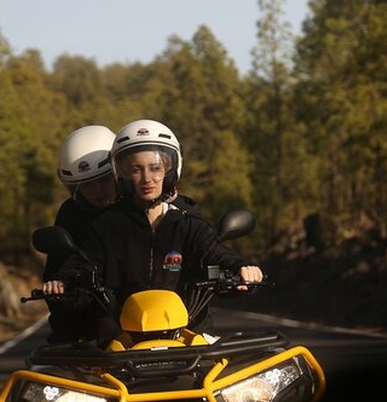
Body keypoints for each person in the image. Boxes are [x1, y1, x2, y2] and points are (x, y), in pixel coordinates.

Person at [43, 119, 263, 347]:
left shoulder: (186, 219)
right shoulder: (99, 225)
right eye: (136, 170)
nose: (147, 179)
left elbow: (213, 251)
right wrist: (63, 284)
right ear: (124, 173)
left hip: (189, 333)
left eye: (155, 168)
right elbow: (81, 263)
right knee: (56, 368)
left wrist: (240, 269)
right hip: (115, 337)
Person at [43, 124, 119, 343]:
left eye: (103, 180)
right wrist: (58, 285)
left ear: (118, 173)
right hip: (95, 317)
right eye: (86, 184)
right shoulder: (71, 214)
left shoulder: (140, 206)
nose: (97, 190)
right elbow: (58, 267)